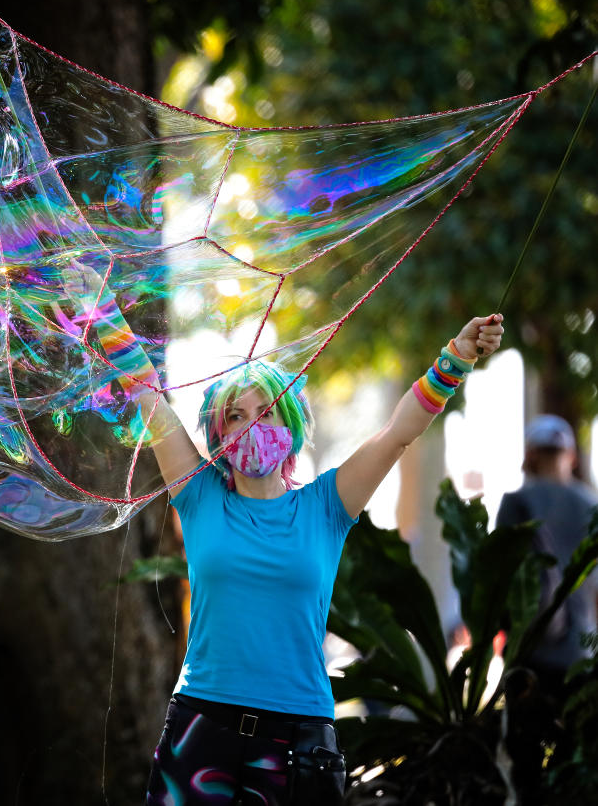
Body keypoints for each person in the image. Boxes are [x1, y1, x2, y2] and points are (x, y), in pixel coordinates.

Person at [122, 314, 505, 805]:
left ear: (293, 422)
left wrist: (458, 356)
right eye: (236, 415)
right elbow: (147, 395)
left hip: (297, 737)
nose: (253, 423)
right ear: (219, 433)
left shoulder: (327, 504)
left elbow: (397, 433)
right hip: (202, 727)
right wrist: (100, 305)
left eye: (268, 410)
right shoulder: (199, 495)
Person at [494, 414, 598, 703]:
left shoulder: (517, 504)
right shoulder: (592, 505)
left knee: (526, 745)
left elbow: (497, 577)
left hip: (530, 653)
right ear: (572, 457)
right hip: (581, 653)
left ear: (530, 455)